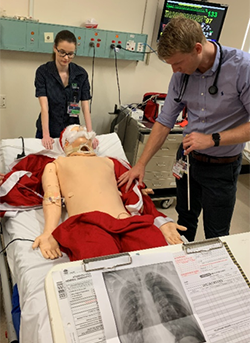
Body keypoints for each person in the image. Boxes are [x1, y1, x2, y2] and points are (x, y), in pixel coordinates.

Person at [118, 16, 250, 242]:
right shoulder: (181, 76)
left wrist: (213, 139)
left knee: (216, 235)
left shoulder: (242, 68)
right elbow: (164, 121)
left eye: (177, 63)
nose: (174, 70)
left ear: (197, 48)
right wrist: (141, 164)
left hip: (222, 168)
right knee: (183, 223)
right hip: (188, 163)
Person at [32, 125, 186, 261]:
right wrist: (49, 233)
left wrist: (160, 220)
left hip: (126, 221)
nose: (83, 132)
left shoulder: (111, 162)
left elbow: (132, 191)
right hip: (88, 222)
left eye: (84, 130)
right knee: (104, 269)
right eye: (77, 131)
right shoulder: (57, 164)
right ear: (65, 143)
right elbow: (52, 198)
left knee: (158, 259)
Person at [35, 30, 98, 150]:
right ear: (55, 48)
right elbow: (44, 107)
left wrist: (90, 134)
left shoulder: (81, 74)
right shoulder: (43, 72)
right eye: (62, 52)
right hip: (49, 129)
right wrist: (46, 135)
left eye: (70, 54)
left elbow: (85, 106)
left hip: (72, 132)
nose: (66, 58)